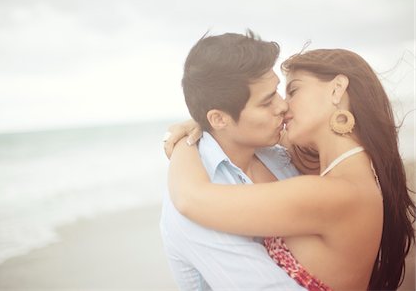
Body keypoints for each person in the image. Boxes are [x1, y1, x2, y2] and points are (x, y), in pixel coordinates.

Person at [165, 48, 415, 290]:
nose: (284, 105)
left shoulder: (335, 192)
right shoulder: (338, 170)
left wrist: (183, 146)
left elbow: (190, 198)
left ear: (337, 90)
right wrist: (209, 122)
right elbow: (247, 135)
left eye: (293, 90)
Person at [160, 31, 309, 290]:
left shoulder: (275, 152)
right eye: (266, 102)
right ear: (219, 119)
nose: (283, 106)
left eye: (277, 91)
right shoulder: (197, 203)